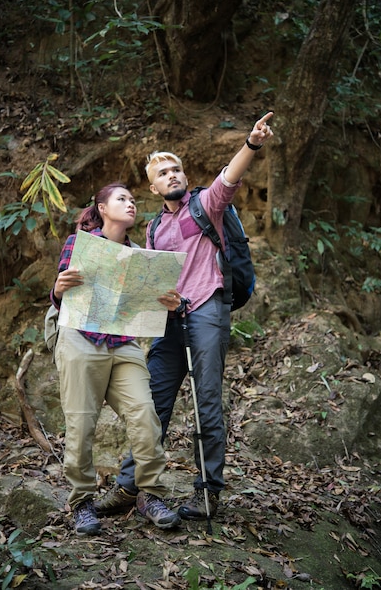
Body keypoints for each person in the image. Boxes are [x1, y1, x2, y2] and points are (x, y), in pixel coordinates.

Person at [94, 113, 274, 521]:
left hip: (208, 311)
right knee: (152, 404)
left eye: (176, 169)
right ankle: (128, 486)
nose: (172, 175)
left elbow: (228, 177)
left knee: (206, 402)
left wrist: (252, 143)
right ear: (153, 186)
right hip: (168, 321)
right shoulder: (155, 229)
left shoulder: (205, 205)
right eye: (163, 172)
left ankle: (207, 493)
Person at [51, 182, 184, 536]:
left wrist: (170, 306)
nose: (130, 204)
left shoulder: (140, 255)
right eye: (121, 199)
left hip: (123, 344)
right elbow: (61, 296)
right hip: (81, 339)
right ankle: (81, 503)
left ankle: (149, 494)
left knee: (145, 413)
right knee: (81, 424)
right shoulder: (79, 244)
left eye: (132, 199)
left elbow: (147, 311)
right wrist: (58, 289)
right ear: (102, 207)